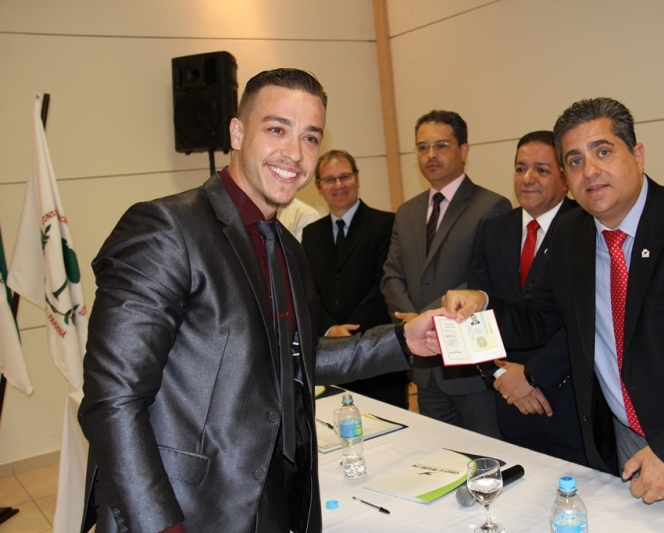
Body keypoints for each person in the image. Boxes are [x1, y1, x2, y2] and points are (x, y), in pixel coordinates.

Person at [78, 68, 441, 533]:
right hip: (181, 508)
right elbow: (113, 399)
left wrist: (404, 340)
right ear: (236, 132)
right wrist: (161, 526)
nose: (295, 153)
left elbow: (295, 359)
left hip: (270, 499)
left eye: (310, 137)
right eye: (276, 129)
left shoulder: (288, 248)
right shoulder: (167, 228)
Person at [444, 97, 664, 525]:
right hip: (626, 446)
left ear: (638, 154)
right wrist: (483, 304)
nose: (590, 170)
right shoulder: (571, 234)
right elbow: (537, 318)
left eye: (603, 151)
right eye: (575, 160)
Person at [381, 110, 511, 437]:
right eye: (422, 147)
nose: (431, 155)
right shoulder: (406, 212)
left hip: (471, 367)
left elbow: (484, 281)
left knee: (487, 456)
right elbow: (391, 275)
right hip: (424, 369)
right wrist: (412, 322)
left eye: (441, 145)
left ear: (463, 150)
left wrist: (423, 319)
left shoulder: (491, 206)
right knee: (440, 456)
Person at [469, 131, 586, 465]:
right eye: (520, 168)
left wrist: (533, 376)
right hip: (508, 397)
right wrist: (500, 378)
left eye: (541, 170)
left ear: (565, 178)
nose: (527, 178)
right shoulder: (493, 230)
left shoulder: (586, 228)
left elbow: (585, 321)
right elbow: (477, 313)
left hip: (568, 399)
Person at [301, 149, 408, 407]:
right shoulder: (311, 234)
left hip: (377, 351)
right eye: (330, 179)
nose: (339, 185)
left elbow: (385, 284)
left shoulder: (387, 223)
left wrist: (351, 331)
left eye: (345, 177)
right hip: (330, 355)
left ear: (357, 179)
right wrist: (330, 329)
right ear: (318, 186)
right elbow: (307, 289)